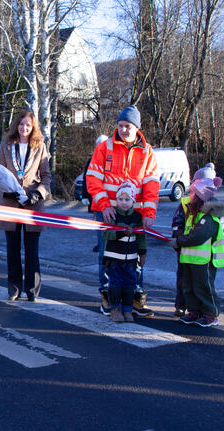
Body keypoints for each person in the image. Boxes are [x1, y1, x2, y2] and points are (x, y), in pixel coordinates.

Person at [86, 105, 159, 317]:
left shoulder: (147, 152)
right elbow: (93, 179)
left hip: (134, 216)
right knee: (107, 255)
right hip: (108, 213)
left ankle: (135, 298)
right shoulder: (105, 148)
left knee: (135, 256)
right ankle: (107, 297)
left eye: (127, 126)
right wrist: (105, 205)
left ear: (137, 128)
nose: (124, 130)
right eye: (120, 126)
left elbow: (151, 186)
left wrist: (149, 214)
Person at [0, 110, 51, 302]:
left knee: (31, 250)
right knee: (12, 249)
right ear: (16, 125)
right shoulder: (6, 145)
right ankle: (14, 288)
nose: (24, 128)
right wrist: (8, 190)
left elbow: (46, 177)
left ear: (33, 127)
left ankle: (32, 290)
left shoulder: (40, 147)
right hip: (10, 203)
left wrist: (38, 194)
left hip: (33, 206)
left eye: (28, 125)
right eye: (21, 124)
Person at [172, 171, 223, 327]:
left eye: (193, 193)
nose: (190, 196)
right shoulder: (194, 214)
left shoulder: (208, 218)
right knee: (190, 287)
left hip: (204, 260)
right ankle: (194, 311)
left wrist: (179, 240)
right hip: (189, 258)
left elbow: (197, 237)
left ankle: (210, 313)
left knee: (203, 287)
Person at [102, 182, 147, 322]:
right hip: (114, 258)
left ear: (133, 200)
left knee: (129, 284)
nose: (123, 203)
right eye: (120, 199)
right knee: (115, 284)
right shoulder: (112, 214)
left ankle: (127, 310)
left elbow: (141, 237)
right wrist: (122, 231)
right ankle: (115, 309)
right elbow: (107, 234)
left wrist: (142, 254)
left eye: (127, 199)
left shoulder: (137, 217)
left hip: (131, 259)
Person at [81, 135, 110, 313]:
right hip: (101, 207)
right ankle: (106, 293)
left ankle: (132, 296)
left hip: (120, 209)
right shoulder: (93, 159)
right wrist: (88, 198)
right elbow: (88, 179)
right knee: (104, 252)